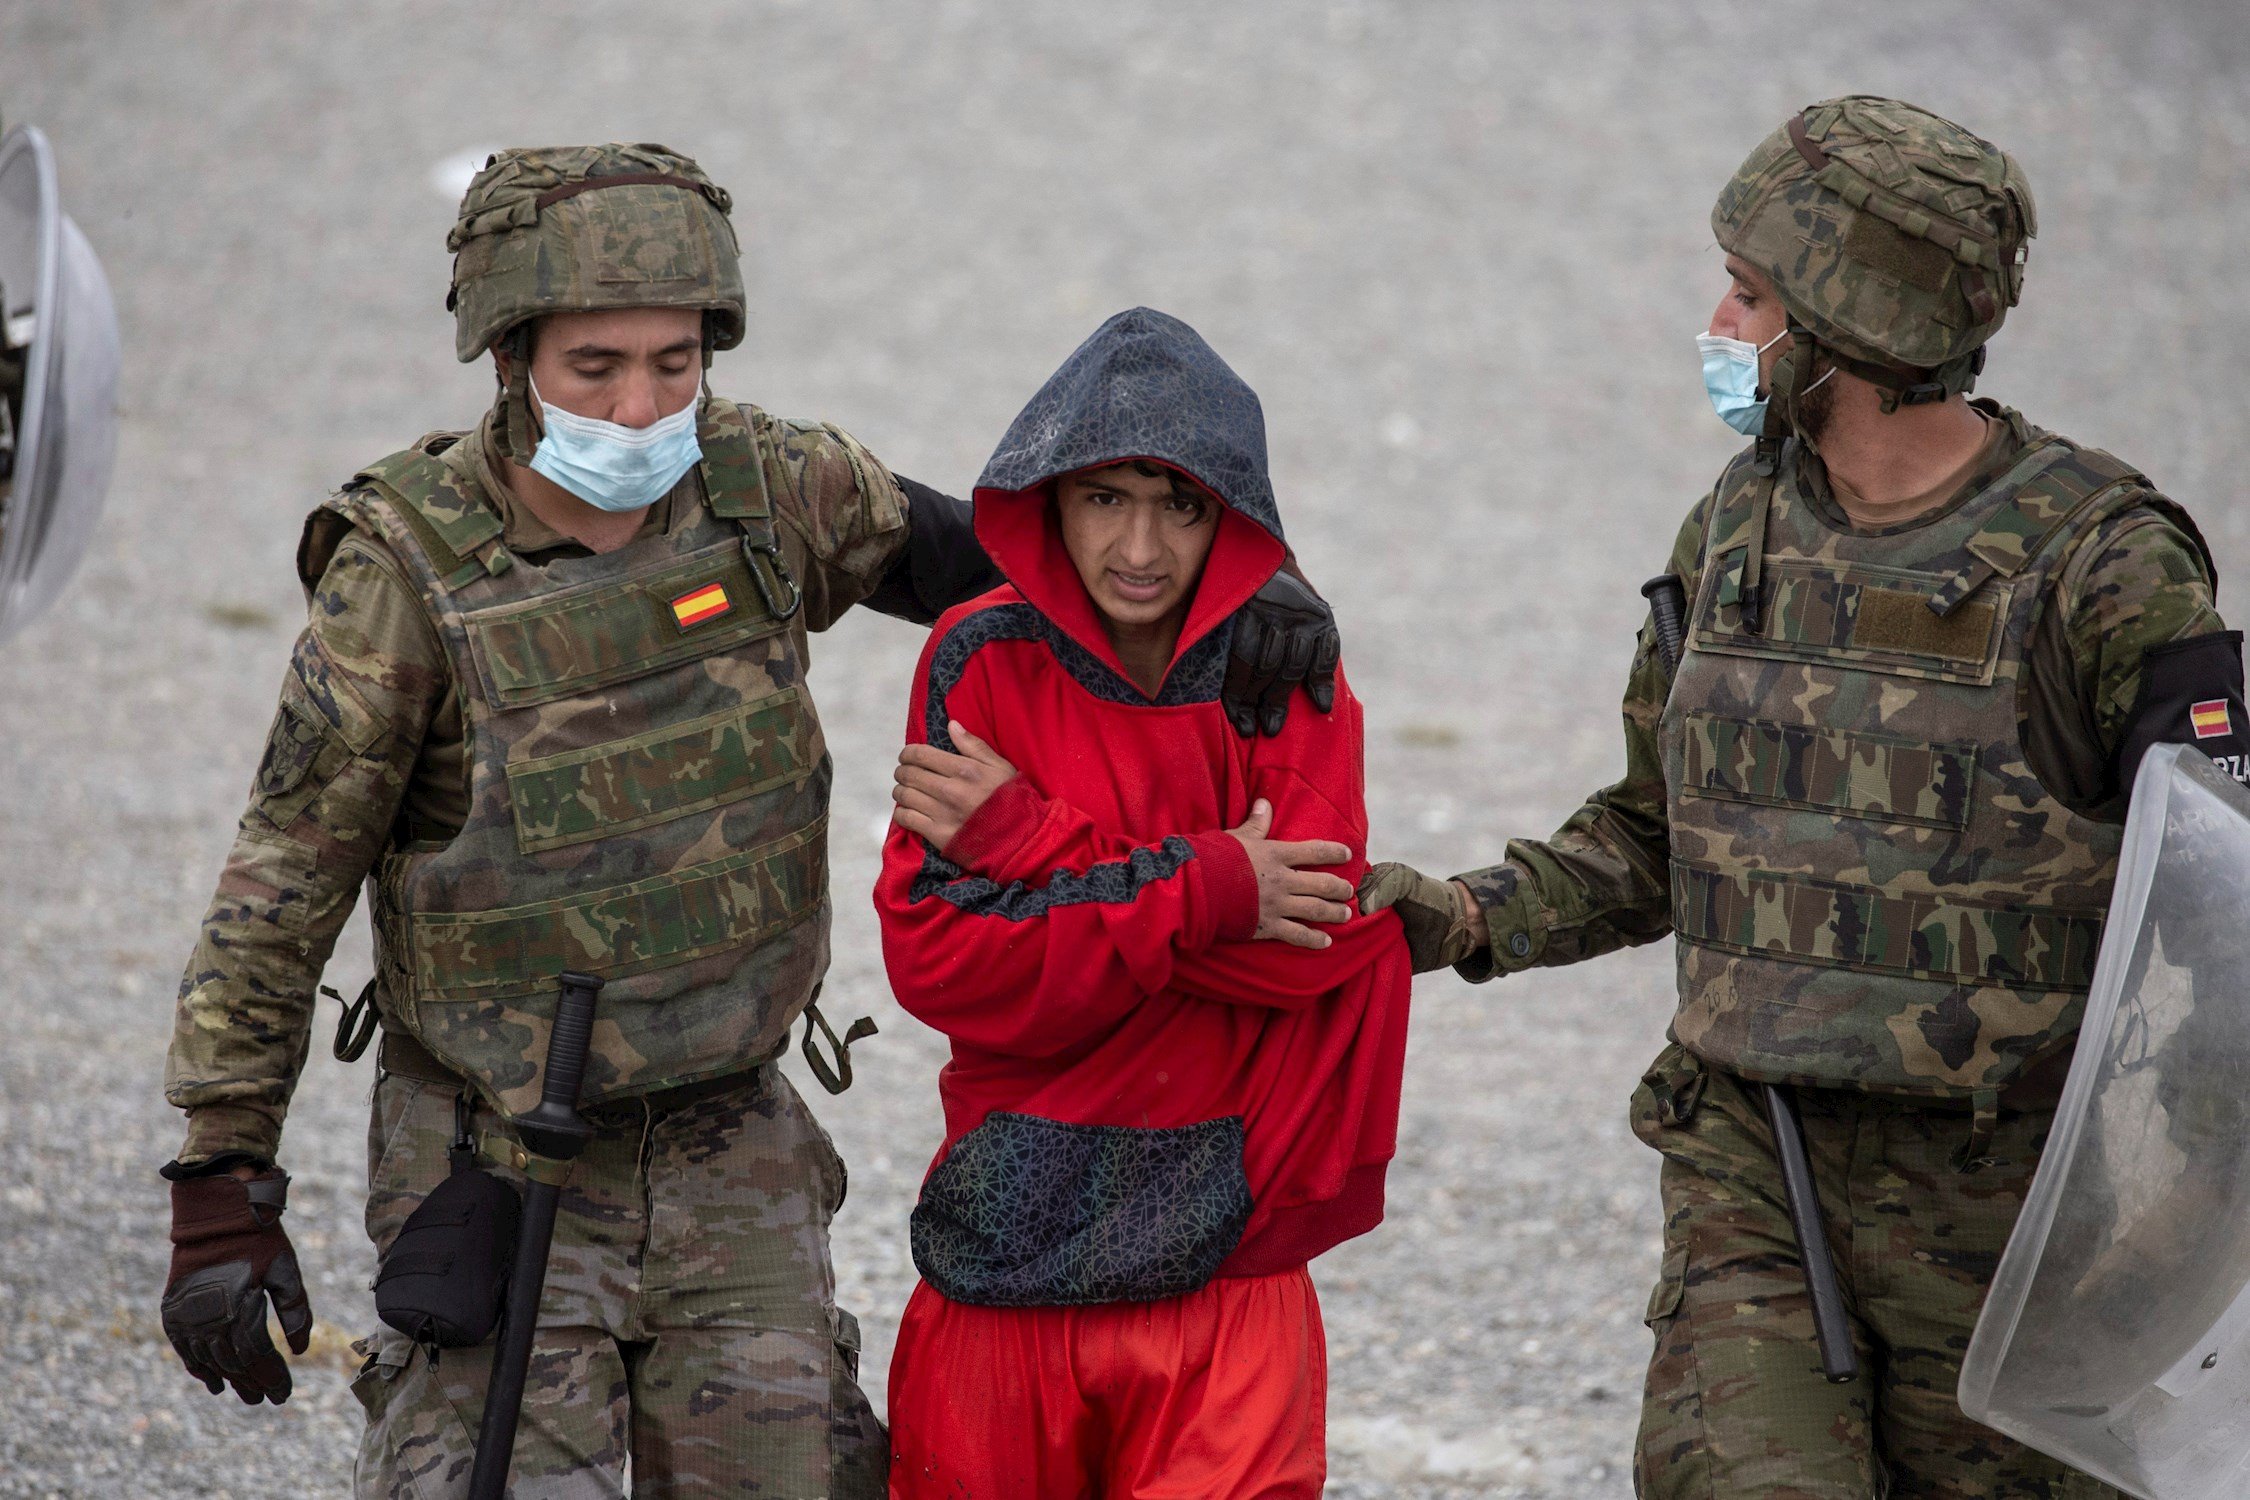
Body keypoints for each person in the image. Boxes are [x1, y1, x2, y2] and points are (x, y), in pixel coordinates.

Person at [155, 146, 1341, 1498]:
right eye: (595, 365)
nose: (643, 401)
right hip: (493, 1144)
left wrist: (1245, 586)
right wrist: (221, 1186)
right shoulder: (404, 579)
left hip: (732, 1144)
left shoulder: (767, 490)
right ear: (507, 353)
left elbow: (1012, 562)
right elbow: (279, 889)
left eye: (675, 361)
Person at [1363, 96, 2250, 1498]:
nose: (1720, 319)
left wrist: (2163, 1243)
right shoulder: (1732, 529)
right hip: (1753, 1174)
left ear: (1853, 317)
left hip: (2011, 1226)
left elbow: (2216, 929)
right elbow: (1660, 835)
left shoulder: (2104, 568)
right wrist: (1464, 914)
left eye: (1751, 292)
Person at [872, 307, 1412, 1498]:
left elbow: (1313, 948)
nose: (1142, 545)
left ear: (1231, 513)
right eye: (1105, 496)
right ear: (1047, 498)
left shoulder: (1285, 675)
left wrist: (1031, 840)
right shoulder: (976, 656)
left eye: (1180, 502)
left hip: (1232, 1266)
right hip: (1006, 1239)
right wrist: (1219, 883)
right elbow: (942, 966)